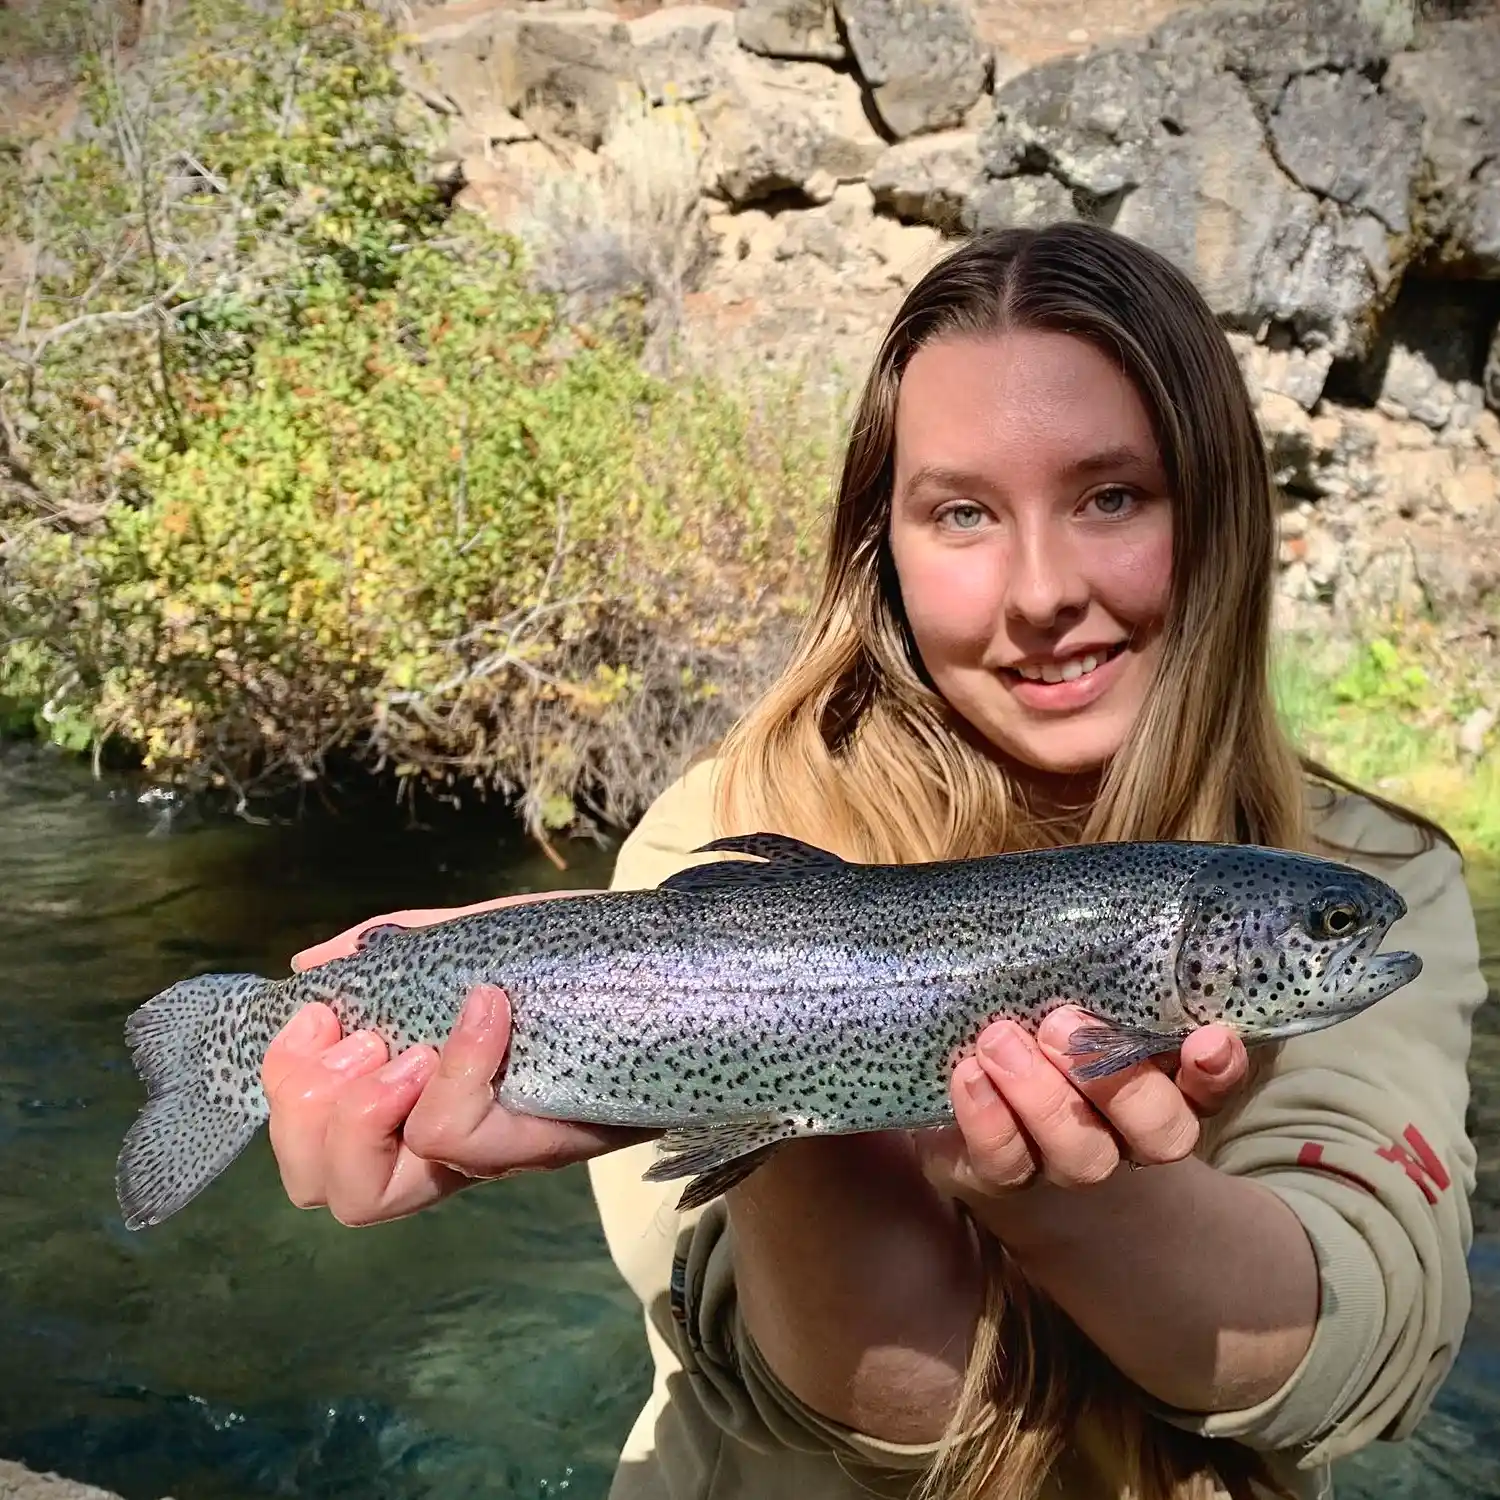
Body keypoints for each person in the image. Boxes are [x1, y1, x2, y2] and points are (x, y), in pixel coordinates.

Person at [259, 222, 1487, 1500]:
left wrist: (1079, 1197)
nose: (1040, 591)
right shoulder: (716, 835)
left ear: (1222, 513)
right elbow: (879, 1417)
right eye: (962, 512)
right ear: (881, 548)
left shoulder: (1368, 868)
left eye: (1112, 495)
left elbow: (1366, 1370)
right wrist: (750, 1029)